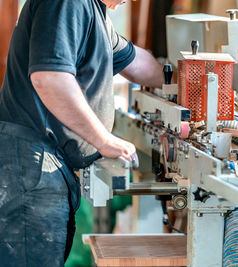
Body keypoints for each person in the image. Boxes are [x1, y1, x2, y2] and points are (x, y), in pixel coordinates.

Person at [0, 0, 163, 266]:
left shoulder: (93, 13)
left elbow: (136, 62)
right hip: (30, 163)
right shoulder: (69, 3)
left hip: (41, 163)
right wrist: (104, 140)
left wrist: (182, 80)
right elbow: (50, 78)